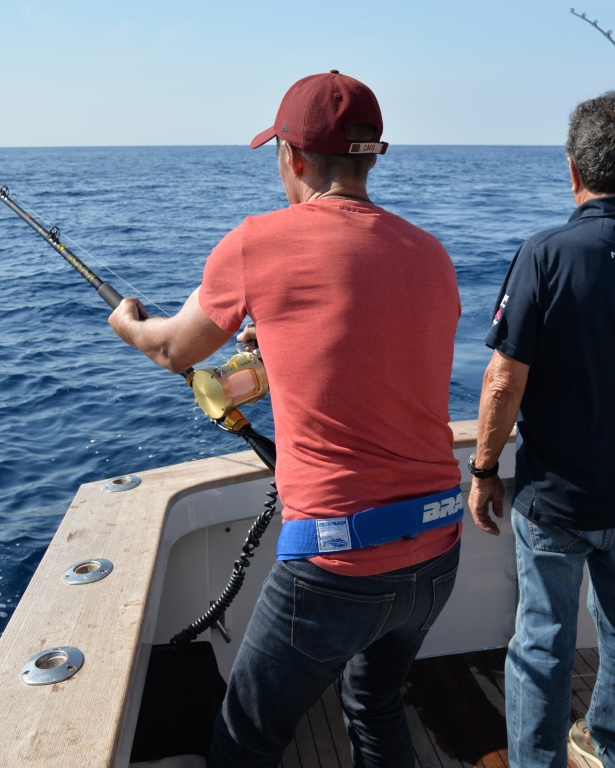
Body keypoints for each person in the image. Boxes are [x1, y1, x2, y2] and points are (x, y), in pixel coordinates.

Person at [109, 70, 463, 768]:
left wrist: (128, 325)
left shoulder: (256, 243)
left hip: (336, 564)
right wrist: (278, 333)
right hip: (436, 550)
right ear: (371, 155)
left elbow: (173, 348)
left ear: (293, 158)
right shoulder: (431, 253)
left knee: (245, 742)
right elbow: (373, 347)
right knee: (376, 706)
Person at [468, 91, 615, 768]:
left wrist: (483, 470)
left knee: (542, 643)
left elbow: (502, 380)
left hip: (555, 497)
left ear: (571, 169)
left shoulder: (546, 254)